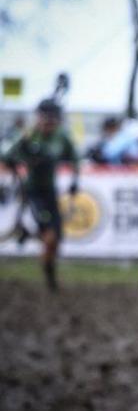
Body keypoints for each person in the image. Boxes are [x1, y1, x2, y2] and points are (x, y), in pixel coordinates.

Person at [1, 98, 80, 291]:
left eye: (53, 120)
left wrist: (74, 181)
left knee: (56, 239)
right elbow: (6, 154)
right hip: (32, 192)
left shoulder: (61, 137)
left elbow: (73, 157)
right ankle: (28, 233)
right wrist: (22, 152)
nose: (49, 124)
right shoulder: (28, 134)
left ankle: (47, 267)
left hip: (50, 192)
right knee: (49, 234)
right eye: (46, 119)